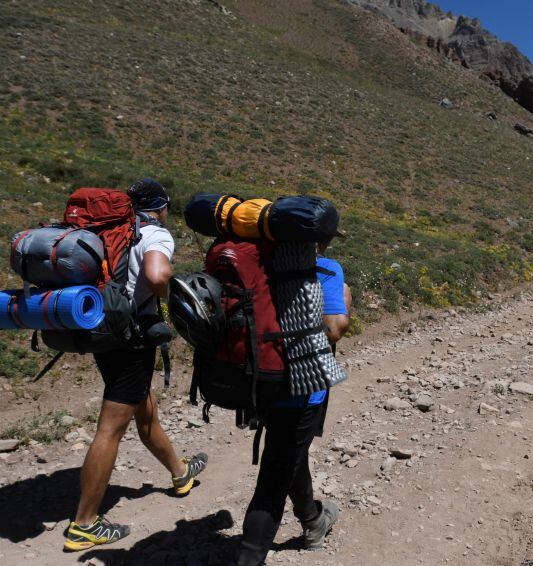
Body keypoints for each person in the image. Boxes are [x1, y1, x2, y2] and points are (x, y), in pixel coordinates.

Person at [64, 179, 208, 552]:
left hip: (104, 327)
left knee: (143, 410)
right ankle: (84, 524)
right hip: (132, 337)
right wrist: (165, 302)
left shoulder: (113, 229)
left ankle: (180, 474)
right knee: (111, 428)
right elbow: (158, 275)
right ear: (162, 207)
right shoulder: (155, 233)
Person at [237, 233, 351, 565]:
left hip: (258, 382)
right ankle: (249, 557)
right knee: (272, 480)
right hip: (302, 390)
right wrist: (345, 301)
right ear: (320, 241)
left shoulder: (260, 267)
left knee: (287, 452)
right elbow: (335, 328)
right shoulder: (326, 269)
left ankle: (313, 521)